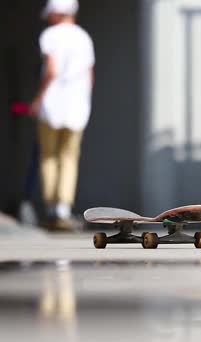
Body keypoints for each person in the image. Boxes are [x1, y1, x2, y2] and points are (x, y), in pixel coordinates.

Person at [30, 0, 95, 231]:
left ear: (58, 12)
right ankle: (63, 210)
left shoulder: (51, 35)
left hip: (52, 104)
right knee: (69, 157)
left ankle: (51, 211)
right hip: (77, 106)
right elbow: (89, 75)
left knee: (48, 156)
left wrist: (37, 101)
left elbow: (51, 70)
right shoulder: (84, 38)